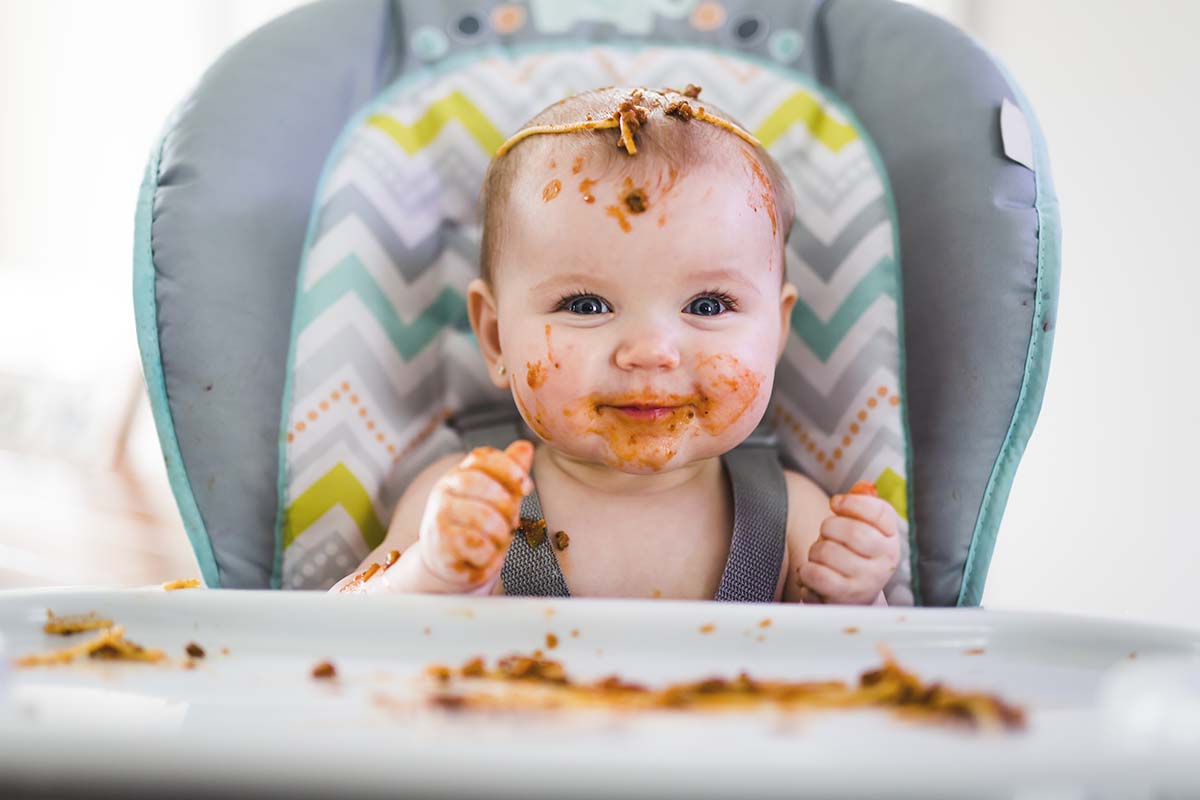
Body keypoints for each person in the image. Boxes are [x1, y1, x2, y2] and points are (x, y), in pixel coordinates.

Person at [330, 86, 899, 604]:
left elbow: (872, 680)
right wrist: (431, 574)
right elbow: (337, 636)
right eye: (586, 306)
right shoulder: (466, 504)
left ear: (777, 330)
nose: (651, 351)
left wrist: (853, 596)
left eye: (706, 306)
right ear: (494, 335)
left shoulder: (795, 515)